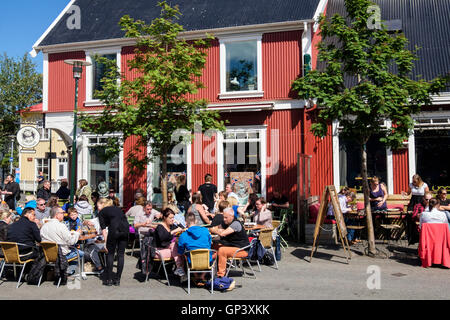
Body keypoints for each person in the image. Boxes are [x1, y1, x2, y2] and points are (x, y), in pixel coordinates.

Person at [40, 206, 84, 281]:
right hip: (61, 255)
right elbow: (71, 241)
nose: (64, 214)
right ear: (57, 215)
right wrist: (77, 233)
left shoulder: (44, 226)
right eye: (62, 213)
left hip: (47, 255)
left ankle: (59, 271)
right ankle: (67, 272)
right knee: (81, 253)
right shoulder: (61, 226)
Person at [210, 207, 250, 278]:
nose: (224, 219)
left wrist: (216, 231)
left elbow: (222, 233)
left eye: (226, 217)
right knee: (212, 246)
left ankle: (220, 275)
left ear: (232, 216)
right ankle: (207, 269)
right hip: (232, 246)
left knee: (222, 250)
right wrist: (217, 231)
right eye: (223, 217)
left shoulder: (236, 224)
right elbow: (214, 229)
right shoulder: (225, 222)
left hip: (242, 249)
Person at [98, 198, 129, 286]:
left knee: (110, 254)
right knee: (121, 254)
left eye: (98, 206)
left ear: (102, 204)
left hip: (114, 229)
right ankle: (118, 279)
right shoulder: (117, 208)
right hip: (125, 228)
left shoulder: (102, 212)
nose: (98, 208)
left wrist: (106, 243)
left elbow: (104, 229)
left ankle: (109, 279)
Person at [177, 212, 213, 287]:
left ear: (186, 222)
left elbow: (180, 251)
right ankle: (202, 276)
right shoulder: (205, 231)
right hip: (207, 261)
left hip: (192, 263)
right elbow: (209, 244)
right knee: (214, 253)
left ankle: (196, 277)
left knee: (183, 255)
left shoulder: (183, 235)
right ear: (196, 221)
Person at [153, 208, 186, 280]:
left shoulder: (171, 225)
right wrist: (173, 231)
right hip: (158, 251)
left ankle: (180, 270)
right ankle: (180, 269)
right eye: (170, 218)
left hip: (168, 249)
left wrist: (178, 223)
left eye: (173, 217)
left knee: (179, 249)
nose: (172, 219)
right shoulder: (160, 227)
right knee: (178, 250)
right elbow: (163, 238)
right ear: (165, 217)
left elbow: (183, 229)